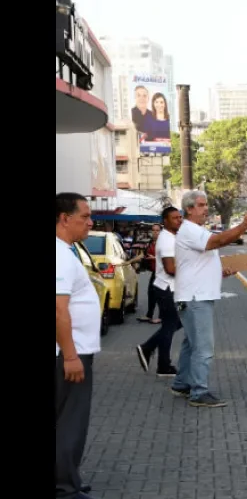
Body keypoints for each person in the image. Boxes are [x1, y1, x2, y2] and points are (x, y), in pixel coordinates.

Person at [170, 191, 247, 408]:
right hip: (196, 297)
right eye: (201, 205)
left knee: (191, 344)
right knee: (203, 348)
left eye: (206, 205)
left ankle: (182, 383)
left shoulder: (194, 231)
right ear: (189, 208)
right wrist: (245, 225)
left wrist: (220, 270)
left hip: (196, 294)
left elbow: (200, 260)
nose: (206, 209)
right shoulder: (190, 230)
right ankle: (199, 392)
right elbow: (218, 241)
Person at [56, 193, 100, 499]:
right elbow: (58, 310)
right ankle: (65, 487)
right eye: (84, 216)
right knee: (70, 421)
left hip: (70, 350)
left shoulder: (66, 252)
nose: (90, 222)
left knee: (65, 419)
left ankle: (67, 476)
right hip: (68, 353)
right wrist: (71, 356)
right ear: (63, 218)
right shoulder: (59, 255)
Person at [135, 207, 184, 377]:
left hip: (166, 287)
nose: (179, 220)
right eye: (174, 218)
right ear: (165, 221)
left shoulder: (171, 237)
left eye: (180, 217)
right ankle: (149, 349)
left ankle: (162, 364)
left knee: (172, 324)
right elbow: (171, 269)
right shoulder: (167, 240)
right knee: (173, 324)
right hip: (166, 288)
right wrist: (192, 270)